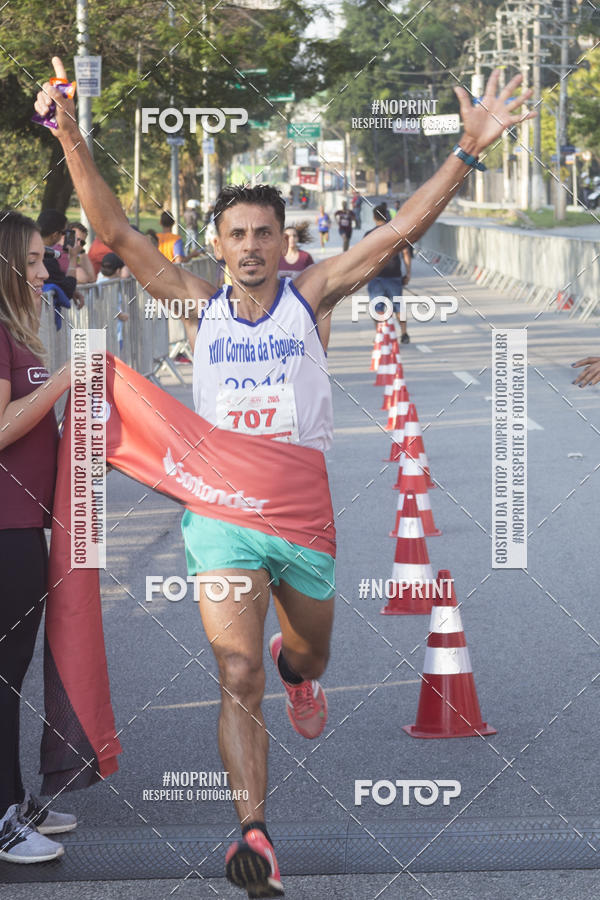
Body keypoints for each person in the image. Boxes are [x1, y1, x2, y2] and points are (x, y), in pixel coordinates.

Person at [36, 56, 533, 898]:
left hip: (301, 515)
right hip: (220, 512)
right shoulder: (199, 305)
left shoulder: (312, 296)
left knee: (304, 654)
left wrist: (468, 154)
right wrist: (72, 137)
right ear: (218, 247)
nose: (253, 247)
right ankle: (254, 833)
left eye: (265, 233)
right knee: (236, 676)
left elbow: (396, 232)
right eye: (238, 236)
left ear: (283, 242)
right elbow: (115, 234)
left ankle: (299, 673)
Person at [0, 210, 77, 863]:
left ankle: (15, 800)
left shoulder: (12, 333)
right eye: (28, 261)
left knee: (10, 675)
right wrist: (64, 380)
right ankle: (2, 819)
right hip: (4, 532)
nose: (41, 271)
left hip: (22, 526)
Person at [364, 203, 412, 343]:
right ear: (387, 216)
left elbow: (364, 258)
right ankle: (404, 334)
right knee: (398, 307)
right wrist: (408, 273)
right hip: (394, 276)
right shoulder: (396, 233)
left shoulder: (369, 235)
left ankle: (380, 334)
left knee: (377, 308)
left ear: (374, 218)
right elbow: (405, 254)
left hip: (376, 277)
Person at [36, 209, 84, 320]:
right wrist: (72, 259)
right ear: (55, 235)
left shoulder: (29, 249)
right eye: (64, 233)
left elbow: (61, 284)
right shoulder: (45, 257)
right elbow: (67, 289)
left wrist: (71, 290)